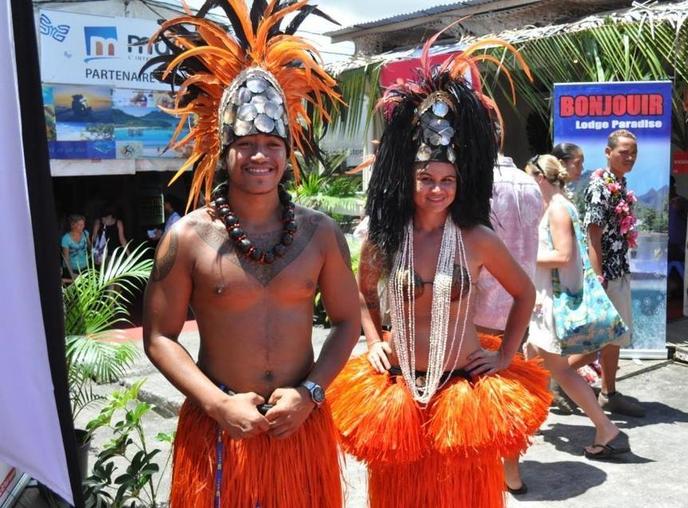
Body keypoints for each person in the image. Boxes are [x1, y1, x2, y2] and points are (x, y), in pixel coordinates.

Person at [142, 2, 358, 507]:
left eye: (272, 143)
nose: (260, 155)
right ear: (225, 149)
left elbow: (348, 322)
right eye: (247, 143)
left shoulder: (321, 233)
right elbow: (159, 337)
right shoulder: (189, 237)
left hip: (298, 425)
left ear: (289, 151)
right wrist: (217, 404)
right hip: (221, 431)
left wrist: (311, 395)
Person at [327, 32, 551, 508]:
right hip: (398, 393)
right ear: (406, 178)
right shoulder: (385, 238)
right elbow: (360, 296)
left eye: (447, 180)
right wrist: (372, 341)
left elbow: (525, 295)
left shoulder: (476, 238)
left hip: (462, 390)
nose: (437, 189)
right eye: (426, 178)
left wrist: (506, 354)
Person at [524, 154, 630, 459]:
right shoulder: (558, 206)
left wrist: (521, 256)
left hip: (553, 307)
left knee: (561, 371)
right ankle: (530, 418)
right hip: (547, 304)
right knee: (531, 359)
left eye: (530, 177)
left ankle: (606, 428)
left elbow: (563, 256)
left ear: (540, 177)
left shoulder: (557, 209)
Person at [473, 149, 544, 494]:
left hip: (479, 311)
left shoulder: (477, 183)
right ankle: (512, 474)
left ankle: (485, 475)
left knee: (477, 405)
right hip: (518, 309)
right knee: (510, 397)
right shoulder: (530, 183)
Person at [574, 129, 645, 417]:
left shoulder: (620, 183)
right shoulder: (599, 187)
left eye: (633, 153)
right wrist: (596, 279)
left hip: (619, 270)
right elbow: (593, 237)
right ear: (608, 152)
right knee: (595, 340)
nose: (629, 158)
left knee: (615, 337)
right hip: (605, 275)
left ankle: (608, 392)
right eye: (623, 152)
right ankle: (556, 379)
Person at [61, 213, 89, 279]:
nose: (83, 226)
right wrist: (71, 274)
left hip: (85, 267)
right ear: (73, 225)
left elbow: (90, 247)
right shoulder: (66, 239)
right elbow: (66, 258)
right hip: (72, 269)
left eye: (83, 224)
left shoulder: (85, 233)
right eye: (80, 225)